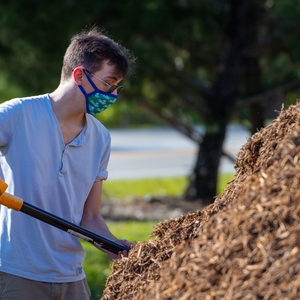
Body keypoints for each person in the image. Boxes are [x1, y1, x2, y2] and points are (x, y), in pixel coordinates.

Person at [0, 27, 135, 299]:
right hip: (18, 273)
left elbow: (91, 216)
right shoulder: (18, 114)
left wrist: (110, 245)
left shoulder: (101, 138)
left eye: (117, 86)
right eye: (109, 83)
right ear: (79, 75)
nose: (113, 95)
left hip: (72, 276)